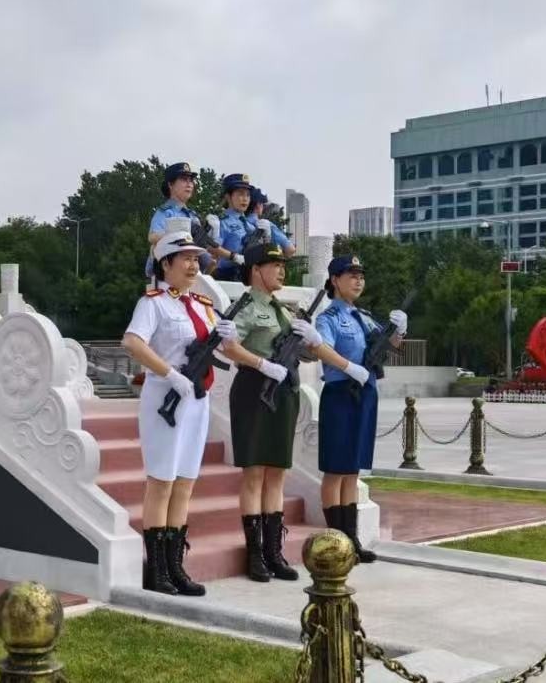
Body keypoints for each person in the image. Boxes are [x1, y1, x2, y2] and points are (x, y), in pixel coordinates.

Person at [121, 224, 243, 597]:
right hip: (165, 399)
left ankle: (176, 566)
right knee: (162, 482)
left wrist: (229, 336)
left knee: (186, 483)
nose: (193, 266)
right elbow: (132, 342)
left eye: (197, 259)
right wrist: (169, 373)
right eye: (186, 259)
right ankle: (156, 569)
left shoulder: (204, 307)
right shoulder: (153, 303)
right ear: (166, 263)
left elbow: (223, 352)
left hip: (197, 400)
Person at [226, 241, 323, 582]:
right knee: (254, 474)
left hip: (284, 392)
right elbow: (229, 347)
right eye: (274, 265)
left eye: (283, 265)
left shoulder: (284, 310)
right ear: (256, 270)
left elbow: (308, 355)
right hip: (254, 389)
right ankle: (255, 555)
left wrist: (311, 340)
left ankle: (273, 551)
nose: (281, 270)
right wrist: (262, 364)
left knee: (277, 473)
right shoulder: (246, 308)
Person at [311, 255, 408, 563]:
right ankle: (335, 538)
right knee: (335, 469)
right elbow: (320, 348)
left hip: (365, 393)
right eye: (350, 275)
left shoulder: (364, 317)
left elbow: (390, 345)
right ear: (335, 280)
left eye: (361, 275)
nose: (358, 280)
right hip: (341, 392)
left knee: (352, 469)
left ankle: (350, 538)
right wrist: (350, 367)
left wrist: (399, 330)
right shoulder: (328, 318)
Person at [147, 162, 235, 278]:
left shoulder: (193, 216)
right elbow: (152, 237)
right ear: (170, 184)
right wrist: (182, 238)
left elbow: (208, 250)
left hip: (191, 273)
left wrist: (213, 236)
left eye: (191, 180)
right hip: (167, 274)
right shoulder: (166, 212)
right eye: (184, 179)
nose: (189, 184)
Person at [211, 173, 272, 281]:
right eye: (240, 194)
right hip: (228, 275)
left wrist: (267, 238)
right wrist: (234, 257)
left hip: (250, 275)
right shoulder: (221, 222)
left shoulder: (251, 225)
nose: (245, 199)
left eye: (248, 195)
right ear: (228, 196)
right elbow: (213, 248)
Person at [246, 186, 295, 257]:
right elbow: (290, 250)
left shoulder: (237, 223)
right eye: (262, 204)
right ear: (258, 205)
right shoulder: (266, 224)